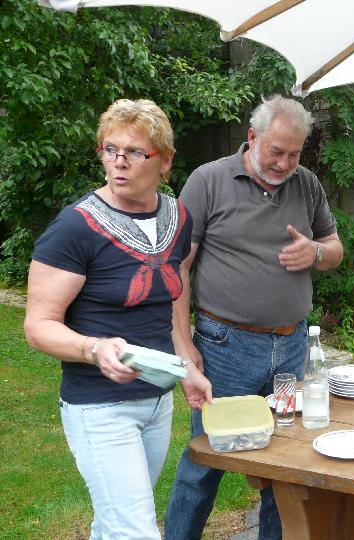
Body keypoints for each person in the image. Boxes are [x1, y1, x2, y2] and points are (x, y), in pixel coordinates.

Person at [23, 98, 213, 539]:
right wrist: (94, 348)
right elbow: (37, 325)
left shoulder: (177, 218)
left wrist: (185, 367)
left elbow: (165, 302)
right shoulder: (75, 227)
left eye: (135, 152)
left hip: (157, 401)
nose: (119, 162)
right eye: (110, 149)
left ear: (165, 161)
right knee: (136, 532)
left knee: (115, 527)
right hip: (99, 405)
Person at [164, 94, 344, 540]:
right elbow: (177, 268)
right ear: (252, 136)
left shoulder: (307, 184)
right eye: (276, 151)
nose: (285, 164)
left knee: (283, 461)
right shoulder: (208, 181)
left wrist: (315, 252)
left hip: (292, 347)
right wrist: (184, 348)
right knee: (206, 460)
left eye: (294, 154)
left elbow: (335, 250)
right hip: (225, 346)